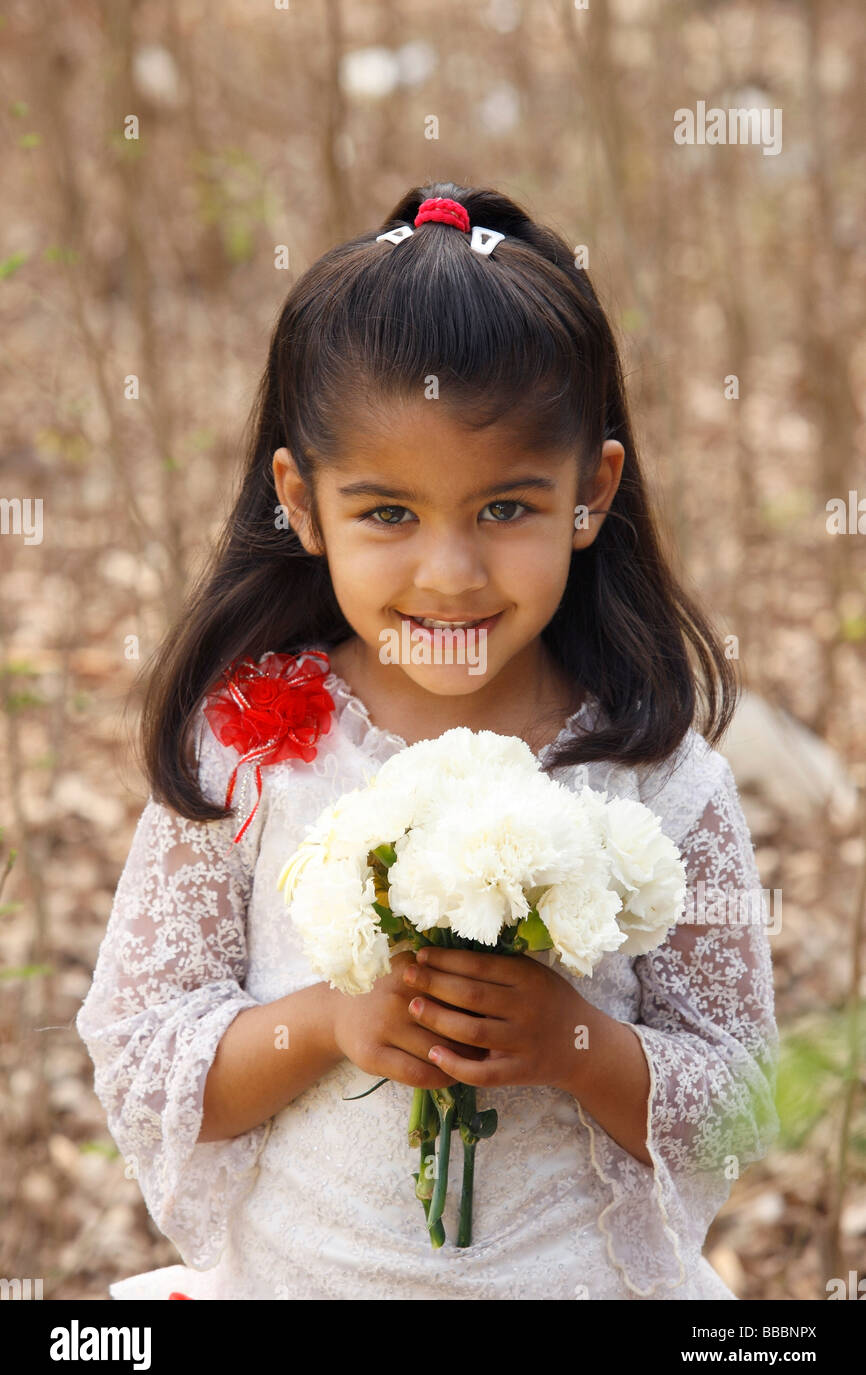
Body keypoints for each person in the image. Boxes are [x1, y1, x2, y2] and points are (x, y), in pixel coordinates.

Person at [76, 181, 779, 1300]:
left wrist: (574, 1043)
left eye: (504, 508)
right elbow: (142, 1046)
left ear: (590, 493)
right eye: (388, 514)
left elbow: (738, 1099)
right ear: (301, 505)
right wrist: (324, 1023)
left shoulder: (655, 775)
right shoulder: (254, 747)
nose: (449, 574)